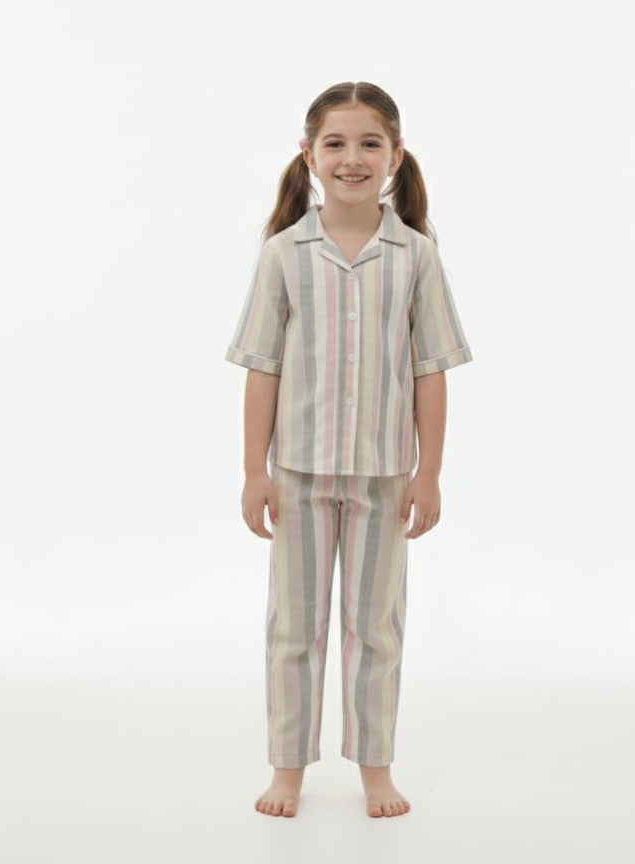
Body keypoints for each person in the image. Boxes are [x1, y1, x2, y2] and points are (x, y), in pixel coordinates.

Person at [224, 81, 473, 819]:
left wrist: (429, 473)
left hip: (384, 478)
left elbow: (430, 370)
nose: (352, 158)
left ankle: (375, 769)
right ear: (309, 155)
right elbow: (262, 367)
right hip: (298, 476)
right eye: (335, 143)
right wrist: (254, 471)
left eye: (370, 143)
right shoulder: (283, 254)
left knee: (376, 630)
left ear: (395, 155)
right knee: (293, 629)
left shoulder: (416, 256)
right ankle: (287, 769)